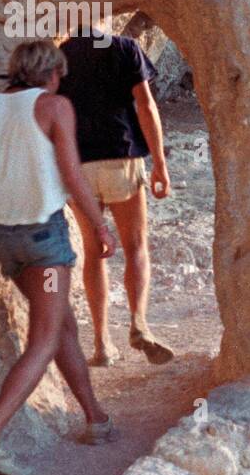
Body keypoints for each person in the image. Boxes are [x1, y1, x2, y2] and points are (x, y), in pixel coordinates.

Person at [0, 40, 117, 475]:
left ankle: (96, 419)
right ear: (51, 73)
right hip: (44, 242)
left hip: (6, 240)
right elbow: (72, 173)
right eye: (60, 75)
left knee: (60, 324)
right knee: (44, 339)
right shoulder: (55, 107)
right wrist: (100, 227)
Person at [57, 19, 175, 366]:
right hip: (121, 159)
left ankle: (101, 344)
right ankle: (139, 323)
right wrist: (159, 165)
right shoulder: (124, 49)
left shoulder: (61, 55)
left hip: (79, 167)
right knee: (136, 245)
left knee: (94, 252)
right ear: (104, 20)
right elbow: (146, 106)